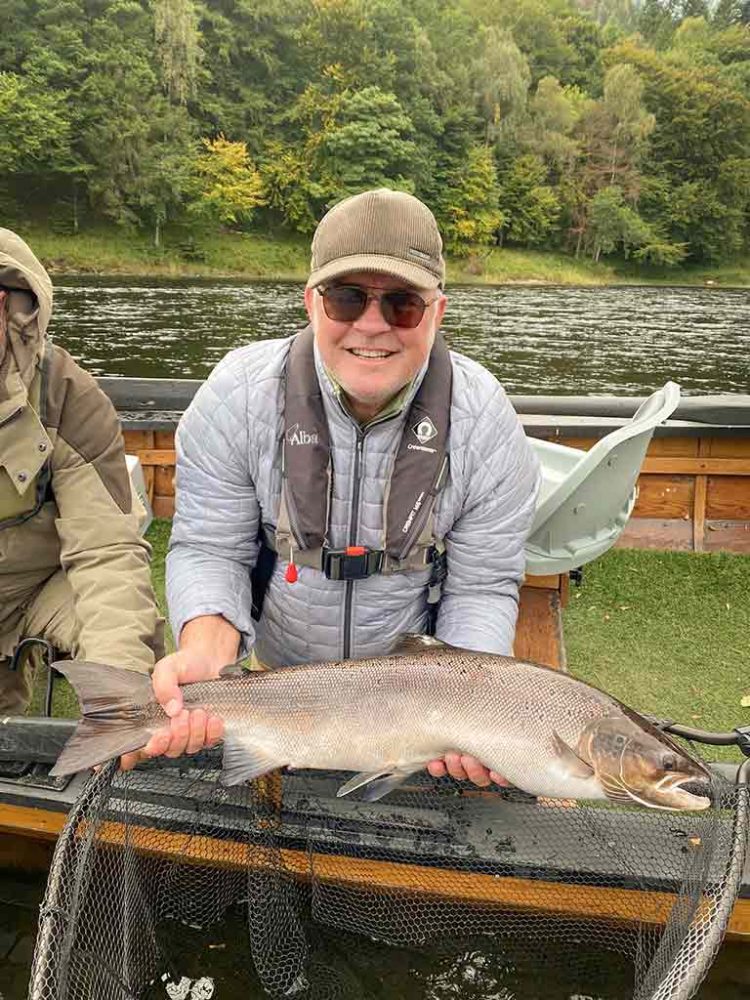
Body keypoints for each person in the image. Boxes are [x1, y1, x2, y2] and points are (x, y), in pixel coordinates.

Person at [123, 189, 540, 787]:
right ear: (311, 304)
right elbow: (212, 547)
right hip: (275, 679)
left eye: (402, 305)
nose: (371, 326)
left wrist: (470, 707)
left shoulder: (487, 424)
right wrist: (205, 650)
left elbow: (481, 586)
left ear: (438, 312)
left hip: (417, 705)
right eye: (347, 299)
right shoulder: (237, 395)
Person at [0, 228, 163, 712]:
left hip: (40, 586)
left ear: (9, 306)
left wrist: (123, 698)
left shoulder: (69, 396)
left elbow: (107, 550)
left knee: (131, 652)